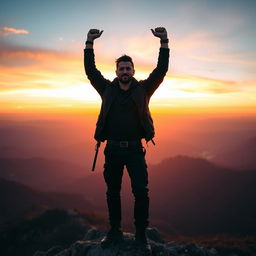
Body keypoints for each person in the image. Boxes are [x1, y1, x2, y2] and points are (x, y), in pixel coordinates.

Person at [84, 27, 169, 251]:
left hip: (134, 151)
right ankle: (114, 231)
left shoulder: (143, 90)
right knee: (112, 192)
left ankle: (141, 235)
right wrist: (89, 43)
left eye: (128, 68)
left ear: (133, 70)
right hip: (111, 150)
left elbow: (161, 70)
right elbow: (90, 71)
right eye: (121, 68)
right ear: (116, 71)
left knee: (141, 192)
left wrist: (164, 42)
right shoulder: (107, 89)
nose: (124, 71)